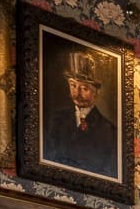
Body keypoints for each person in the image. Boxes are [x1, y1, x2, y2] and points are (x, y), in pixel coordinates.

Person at [43, 48, 117, 178]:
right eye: (73, 85)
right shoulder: (57, 119)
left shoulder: (109, 130)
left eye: (84, 88)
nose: (77, 93)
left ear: (96, 93)